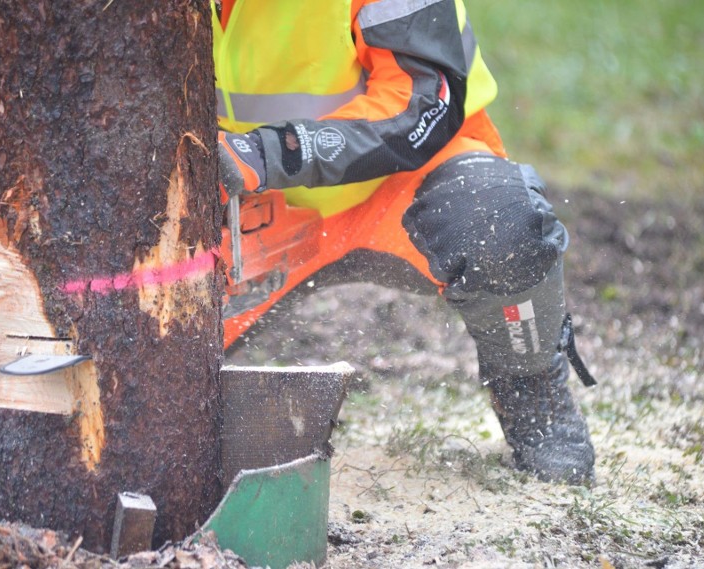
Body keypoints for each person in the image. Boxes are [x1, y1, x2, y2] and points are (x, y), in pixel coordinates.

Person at [214, 0, 597, 485]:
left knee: (497, 227)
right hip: (258, 214)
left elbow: (422, 103)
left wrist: (273, 152)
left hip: (405, 184)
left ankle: (532, 388)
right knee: (149, 341)